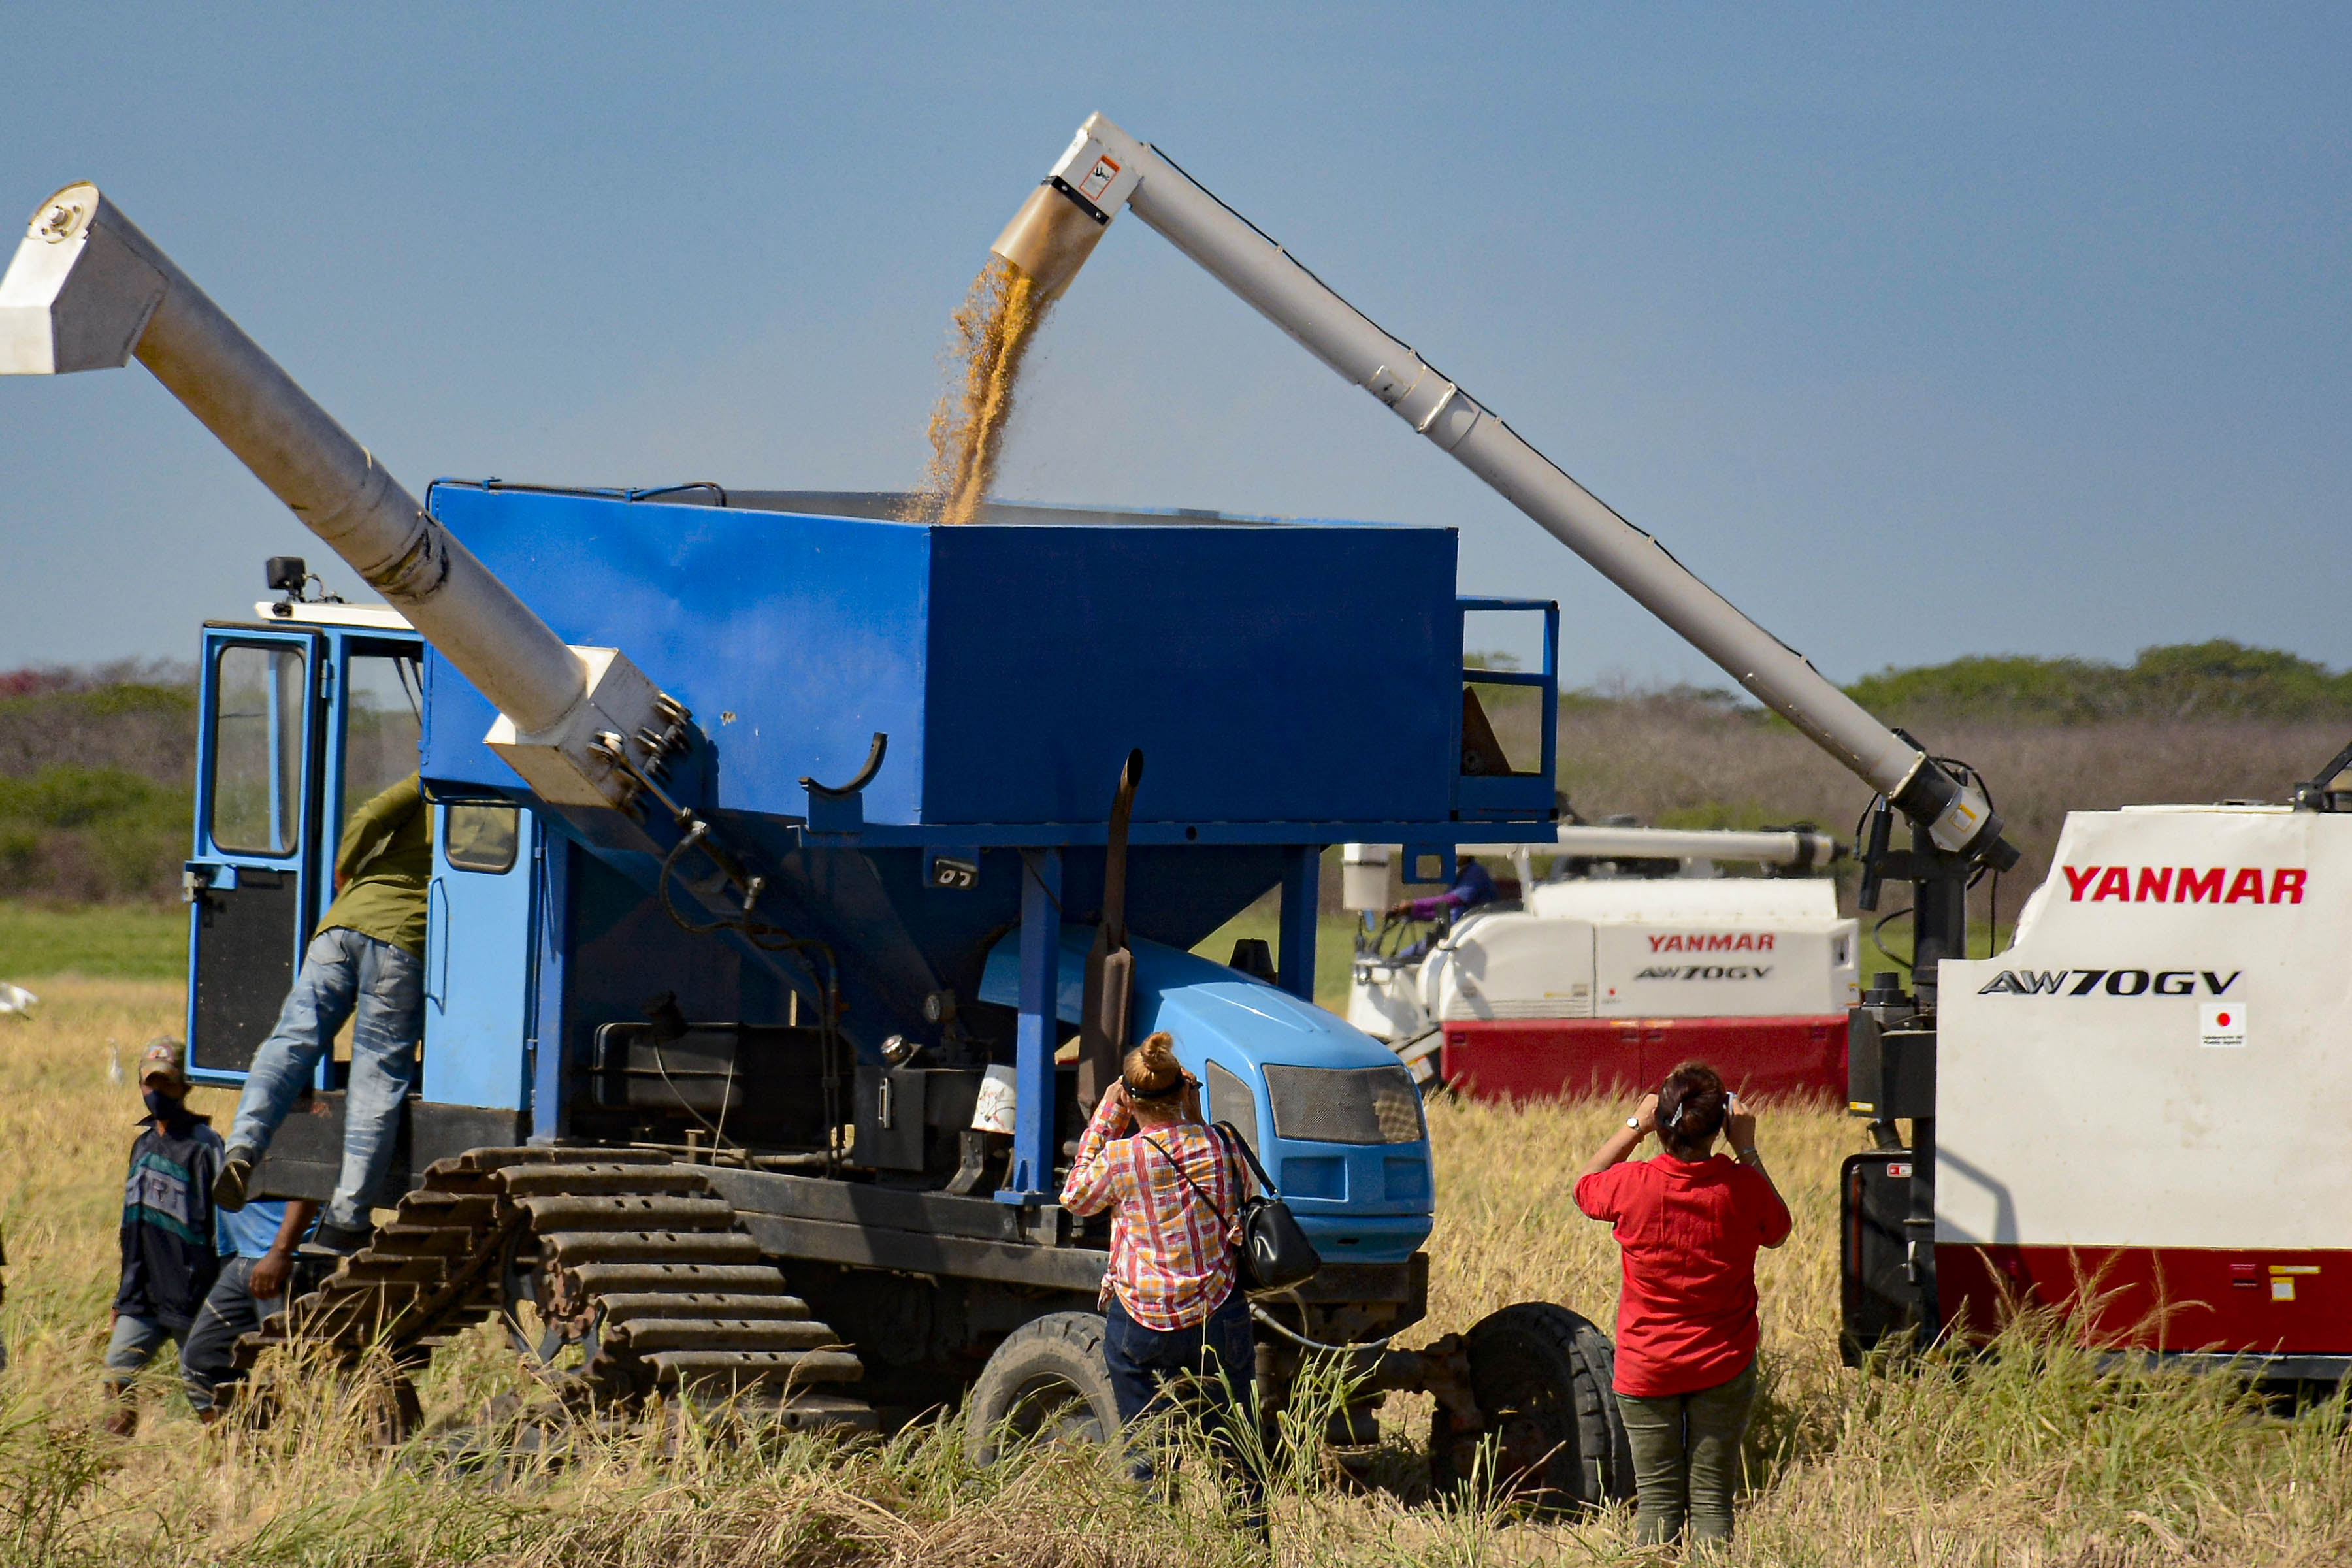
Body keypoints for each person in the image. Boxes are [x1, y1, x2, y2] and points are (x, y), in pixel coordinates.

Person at [1574, 1061, 1792, 1550]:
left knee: (1655, 1502)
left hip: (1646, 1366)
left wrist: (1634, 1124)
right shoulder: (1741, 1187)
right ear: (1722, 1125)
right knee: (1713, 1499)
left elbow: (1584, 1184)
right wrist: (1748, 1148)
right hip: (1723, 1363)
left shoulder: (1632, 1184)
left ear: (1662, 1122)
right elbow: (1778, 1231)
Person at [1060, 1031, 1265, 1537]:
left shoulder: (1123, 1159)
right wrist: (1191, 1115)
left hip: (1143, 1322)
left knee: (1144, 1445)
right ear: (1183, 1091)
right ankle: (1251, 1547)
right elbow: (1244, 1189)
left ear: (1130, 1100)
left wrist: (1108, 1116)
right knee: (1237, 1450)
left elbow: (1075, 1197)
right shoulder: (1223, 1143)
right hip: (1218, 1314)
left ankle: (1156, 1534)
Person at [214, 770, 430, 1250]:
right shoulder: (506, 795)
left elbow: (370, 814)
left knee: (291, 1041)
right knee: (377, 1075)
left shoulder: (434, 776)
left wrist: (347, 868)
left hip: (342, 926)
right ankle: (348, 1218)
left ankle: (244, 1144)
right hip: (403, 941)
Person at [103, 1039, 226, 1436]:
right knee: (117, 1376)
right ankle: (112, 1461)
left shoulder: (204, 1145)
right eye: (150, 1084)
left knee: (202, 1386)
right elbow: (131, 1226)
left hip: (190, 1290)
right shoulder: (142, 1144)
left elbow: (224, 1222)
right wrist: (123, 1295)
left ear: (185, 1087)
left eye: (167, 1084)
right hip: (142, 1291)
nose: (157, 1093)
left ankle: (238, 1457)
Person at [181, 1194, 318, 1422]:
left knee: (290, 1374)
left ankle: (297, 1446)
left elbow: (312, 1177)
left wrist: (281, 1252)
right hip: (245, 1255)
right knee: (200, 1361)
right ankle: (244, 1446)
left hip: (288, 1257)